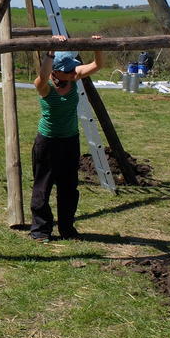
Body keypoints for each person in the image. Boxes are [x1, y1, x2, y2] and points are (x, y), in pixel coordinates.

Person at [29, 35, 103, 242]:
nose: (73, 72)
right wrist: (51, 51)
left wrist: (97, 46)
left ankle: (67, 228)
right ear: (55, 70)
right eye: (68, 70)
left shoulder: (73, 77)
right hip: (48, 142)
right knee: (42, 187)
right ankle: (41, 230)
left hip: (70, 140)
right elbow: (42, 76)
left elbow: (98, 64)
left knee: (69, 187)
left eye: (74, 69)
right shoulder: (45, 86)